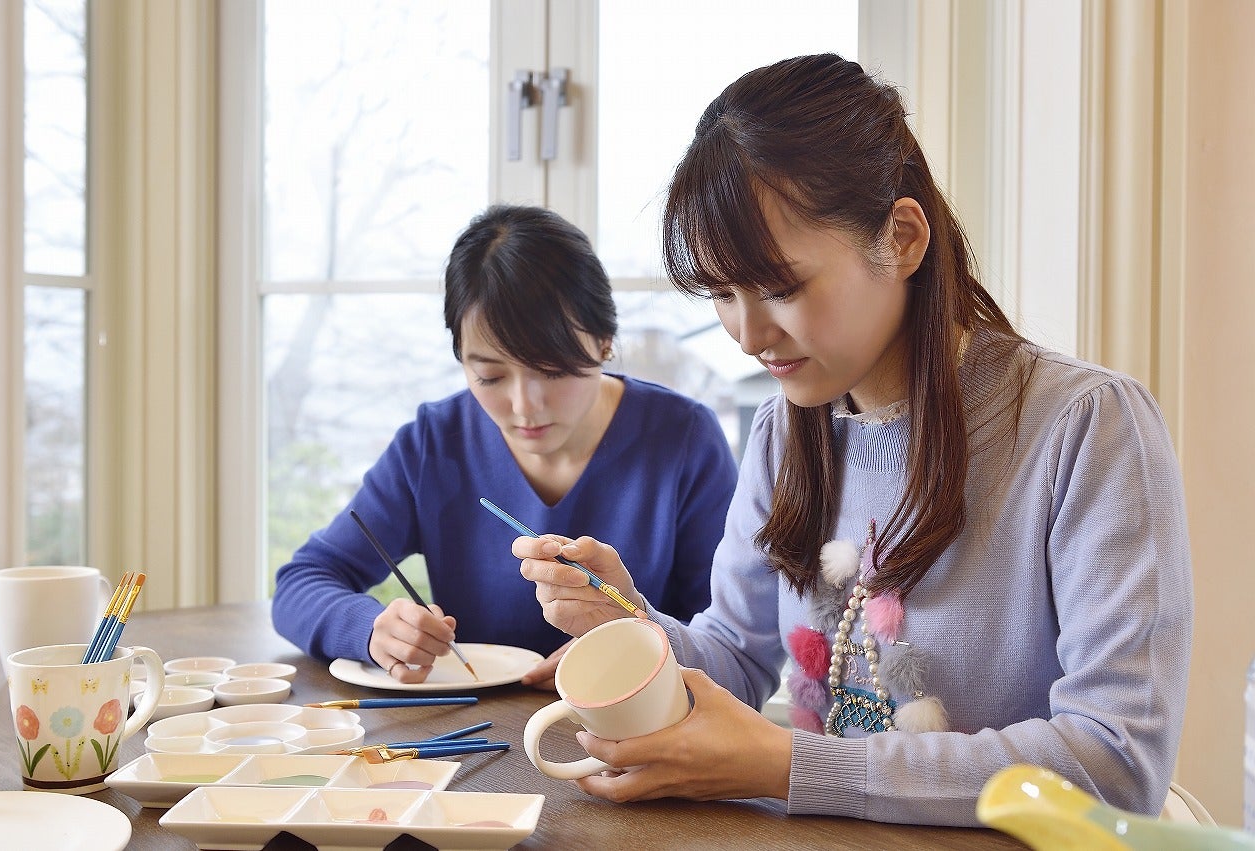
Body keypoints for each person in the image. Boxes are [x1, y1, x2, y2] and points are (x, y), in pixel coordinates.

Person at [514, 54, 1191, 825]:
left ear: (902, 237)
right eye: (722, 294)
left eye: (780, 287)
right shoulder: (783, 430)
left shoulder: (1086, 427)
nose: (747, 333)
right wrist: (630, 621)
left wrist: (793, 764)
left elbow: (1118, 760)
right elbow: (732, 659)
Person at [272, 204, 737, 688]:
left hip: (634, 726)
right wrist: (371, 630)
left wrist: (630, 648)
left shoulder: (682, 440)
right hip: (461, 735)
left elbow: (729, 644)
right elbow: (302, 581)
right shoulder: (435, 442)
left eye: (553, 370)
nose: (523, 406)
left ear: (604, 340)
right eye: (489, 375)